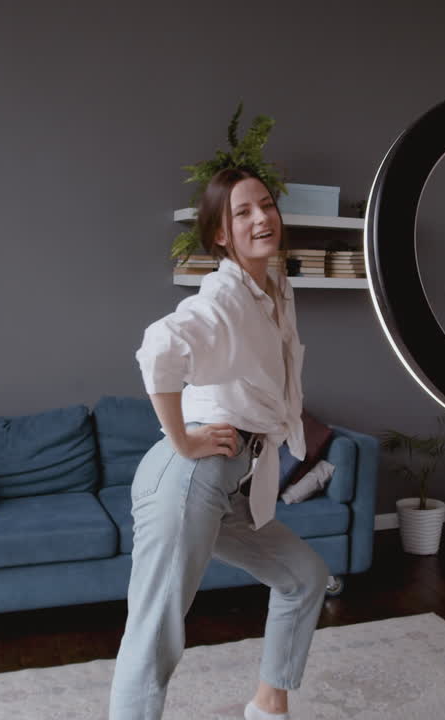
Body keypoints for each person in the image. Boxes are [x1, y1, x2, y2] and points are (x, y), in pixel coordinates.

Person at [108, 167, 329, 720]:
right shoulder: (226, 294)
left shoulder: (277, 288)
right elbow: (159, 348)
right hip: (189, 479)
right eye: (242, 212)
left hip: (235, 483)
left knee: (305, 578)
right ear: (222, 235)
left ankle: (266, 705)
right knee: (154, 635)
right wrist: (181, 439)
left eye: (266, 205)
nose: (261, 218)